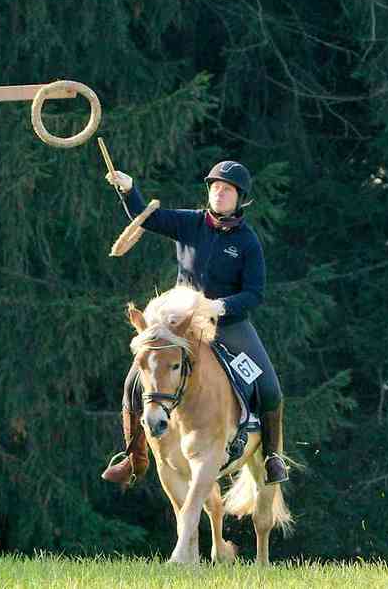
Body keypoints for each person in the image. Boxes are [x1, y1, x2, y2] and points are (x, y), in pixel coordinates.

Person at [100, 161, 289, 486]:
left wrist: (221, 306)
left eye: (226, 189)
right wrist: (129, 190)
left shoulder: (248, 242)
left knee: (269, 386)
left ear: (240, 198)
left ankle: (272, 457)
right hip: (180, 324)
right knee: (133, 382)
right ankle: (133, 456)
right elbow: (148, 218)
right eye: (215, 187)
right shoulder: (190, 222)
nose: (219, 192)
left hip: (228, 324)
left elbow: (254, 294)